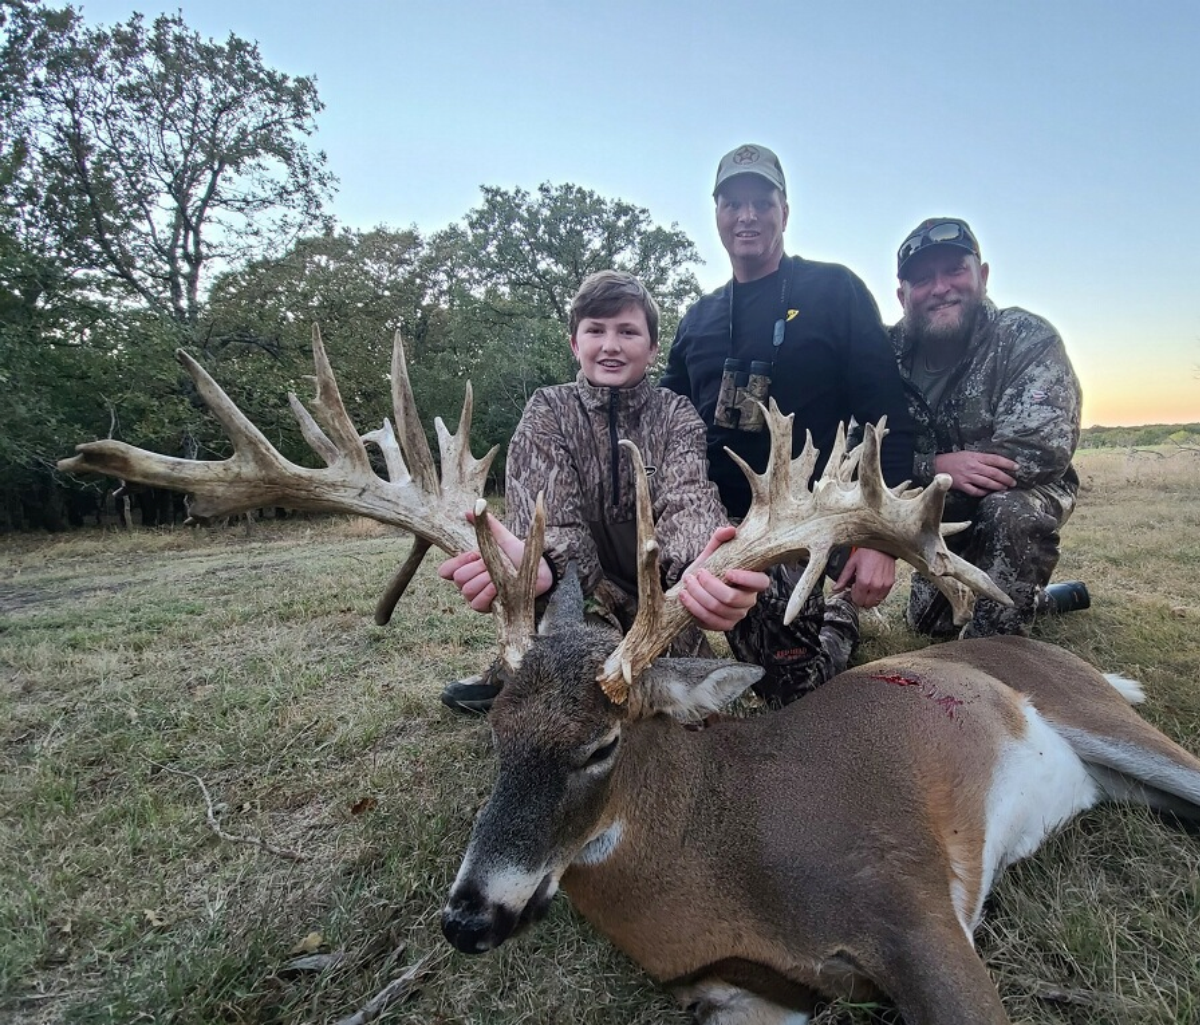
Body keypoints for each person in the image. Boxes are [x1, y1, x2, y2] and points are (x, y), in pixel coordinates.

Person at [438, 270, 770, 713]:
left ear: (653, 348)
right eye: (595, 330)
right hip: (576, 597)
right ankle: (515, 670)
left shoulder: (676, 414)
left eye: (628, 332)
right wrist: (547, 569)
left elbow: (690, 500)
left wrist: (699, 571)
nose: (610, 345)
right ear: (575, 343)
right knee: (568, 692)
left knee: (691, 714)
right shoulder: (548, 411)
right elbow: (549, 518)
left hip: (658, 602)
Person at [661, 144, 915, 707]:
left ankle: (840, 621)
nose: (746, 216)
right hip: (708, 521)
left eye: (761, 201)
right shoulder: (698, 319)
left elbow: (884, 414)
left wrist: (881, 542)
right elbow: (664, 423)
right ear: (718, 215)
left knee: (794, 695)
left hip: (800, 522)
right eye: (732, 203)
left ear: (785, 211)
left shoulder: (835, 291)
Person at [890, 217, 1085, 637]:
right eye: (923, 279)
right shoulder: (884, 356)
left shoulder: (1026, 338)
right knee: (928, 624)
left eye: (954, 270)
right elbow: (858, 446)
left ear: (982, 275)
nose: (940, 287)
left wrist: (926, 476)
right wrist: (937, 467)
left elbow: (1039, 449)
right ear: (902, 295)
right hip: (936, 506)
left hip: (1024, 492)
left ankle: (995, 653)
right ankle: (1039, 599)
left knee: (1006, 514)